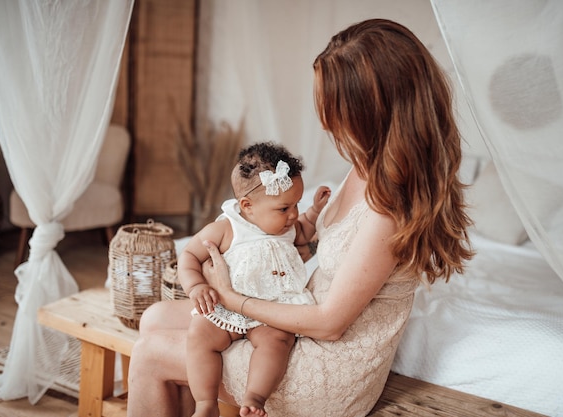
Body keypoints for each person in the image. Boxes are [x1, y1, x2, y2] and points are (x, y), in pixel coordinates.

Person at [127, 18, 474, 417]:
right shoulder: (364, 164)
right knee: (154, 318)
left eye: (334, 109)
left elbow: (329, 324)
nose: (325, 123)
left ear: (372, 112)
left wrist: (234, 298)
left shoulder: (391, 207)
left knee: (151, 354)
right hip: (294, 310)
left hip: (326, 360)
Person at [179, 142, 330, 417]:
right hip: (226, 306)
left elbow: (305, 230)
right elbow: (189, 254)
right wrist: (196, 286)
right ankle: (205, 403)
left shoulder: (287, 227)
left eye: (297, 205)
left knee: (278, 342)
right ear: (247, 206)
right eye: (284, 208)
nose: (294, 215)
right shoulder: (226, 228)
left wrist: (316, 211)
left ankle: (255, 397)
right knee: (199, 335)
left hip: (272, 309)